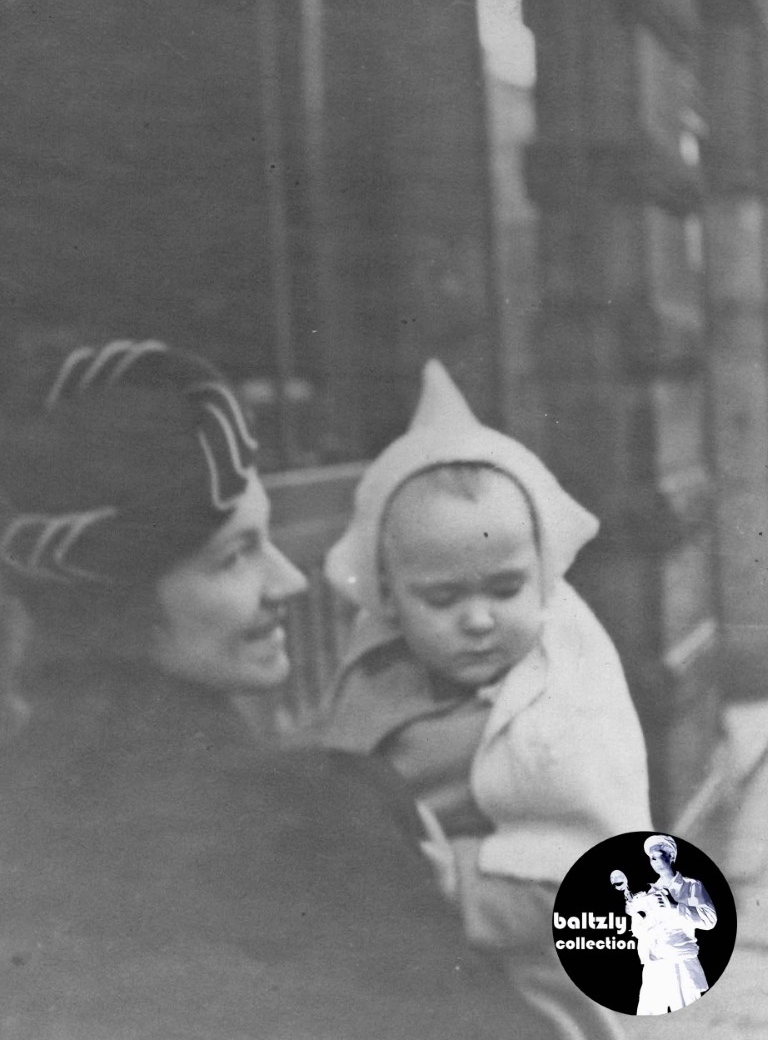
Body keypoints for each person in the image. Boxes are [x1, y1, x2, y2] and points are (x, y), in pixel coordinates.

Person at [0, 338, 548, 1040]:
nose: (288, 581)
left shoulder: (23, 817)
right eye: (235, 557)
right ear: (119, 610)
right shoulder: (319, 822)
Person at [319, 359, 653, 1039]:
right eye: (443, 598)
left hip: (527, 957)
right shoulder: (378, 677)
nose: (478, 620)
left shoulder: (563, 698)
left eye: (505, 589)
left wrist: (464, 882)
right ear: (389, 596)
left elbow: (602, 871)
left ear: (543, 576)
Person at [625, 834, 717, 1015]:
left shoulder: (691, 886)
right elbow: (641, 932)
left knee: (688, 1018)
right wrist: (635, 914)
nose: (654, 861)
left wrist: (675, 907)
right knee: (647, 1017)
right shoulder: (649, 893)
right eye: (651, 858)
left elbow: (709, 920)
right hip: (653, 965)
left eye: (658, 855)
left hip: (680, 963)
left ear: (671, 856)